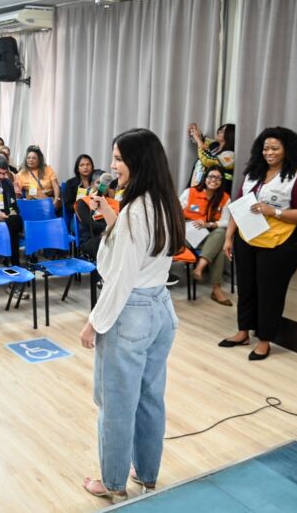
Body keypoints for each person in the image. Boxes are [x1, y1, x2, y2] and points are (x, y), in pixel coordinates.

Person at [77, 128, 185, 503]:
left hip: (131, 313)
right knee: (150, 397)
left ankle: (112, 483)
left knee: (116, 403)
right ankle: (148, 474)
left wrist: (95, 321)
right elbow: (141, 257)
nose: (112, 166)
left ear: (137, 162)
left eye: (119, 159)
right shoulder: (165, 202)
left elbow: (120, 278)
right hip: (160, 309)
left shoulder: (137, 212)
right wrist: (111, 217)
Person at [220, 127, 297, 360]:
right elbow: (238, 206)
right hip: (247, 239)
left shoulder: (295, 178)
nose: (269, 152)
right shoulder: (253, 174)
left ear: (286, 150)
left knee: (270, 293)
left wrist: (274, 211)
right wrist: (229, 237)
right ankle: (243, 332)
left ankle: (264, 341)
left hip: (279, 244)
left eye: (275, 148)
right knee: (246, 288)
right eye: (265, 148)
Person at [180, 166, 232, 306]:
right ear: (205, 178)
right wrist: (189, 223)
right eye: (210, 176)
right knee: (219, 246)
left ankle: (200, 267)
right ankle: (216, 289)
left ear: (222, 181)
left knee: (220, 234)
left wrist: (209, 225)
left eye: (217, 178)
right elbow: (176, 212)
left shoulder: (225, 198)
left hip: (208, 236)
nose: (213, 180)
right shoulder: (190, 192)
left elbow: (227, 221)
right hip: (187, 234)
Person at [75, 171, 120, 261]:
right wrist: (111, 230)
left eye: (105, 183)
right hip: (90, 239)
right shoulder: (83, 202)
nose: (101, 186)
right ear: (91, 185)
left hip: (112, 235)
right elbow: (89, 224)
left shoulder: (115, 203)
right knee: (106, 244)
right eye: (98, 182)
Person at [188, 123, 236, 193]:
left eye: (222, 131)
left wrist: (198, 139)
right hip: (198, 185)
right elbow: (203, 142)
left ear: (230, 135)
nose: (218, 131)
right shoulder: (215, 146)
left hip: (214, 191)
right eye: (220, 130)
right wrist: (194, 131)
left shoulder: (231, 156)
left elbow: (208, 160)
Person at [14, 146, 62, 213]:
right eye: (28, 158)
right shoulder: (21, 174)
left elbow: (56, 185)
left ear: (39, 160)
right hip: (33, 204)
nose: (31, 160)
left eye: (34, 158)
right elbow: (17, 194)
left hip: (50, 202)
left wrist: (57, 199)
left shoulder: (47, 169)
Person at [63, 154, 96, 220]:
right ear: (77, 168)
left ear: (92, 166)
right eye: (82, 165)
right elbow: (68, 206)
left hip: (96, 214)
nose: (85, 167)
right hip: (78, 217)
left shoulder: (97, 181)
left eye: (88, 164)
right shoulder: (70, 183)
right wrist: (82, 207)